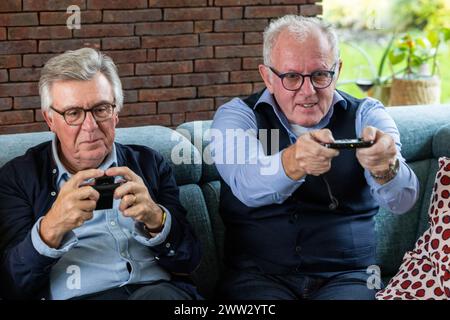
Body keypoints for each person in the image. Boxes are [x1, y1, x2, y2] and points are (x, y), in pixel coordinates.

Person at [211, 15, 419, 300]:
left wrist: (386, 169)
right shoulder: (237, 117)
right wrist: (294, 162)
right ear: (268, 77)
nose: (307, 92)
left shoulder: (368, 115)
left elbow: (403, 201)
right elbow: (247, 186)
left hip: (351, 276)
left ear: (338, 70)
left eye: (320, 75)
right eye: (292, 77)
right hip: (257, 278)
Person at [0, 48, 201, 300]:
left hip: (158, 293)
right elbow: (11, 284)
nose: (90, 126)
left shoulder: (149, 163)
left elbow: (190, 261)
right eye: (73, 113)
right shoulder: (17, 177)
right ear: (50, 119)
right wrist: (51, 229)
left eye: (101, 109)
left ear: (115, 113)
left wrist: (156, 219)